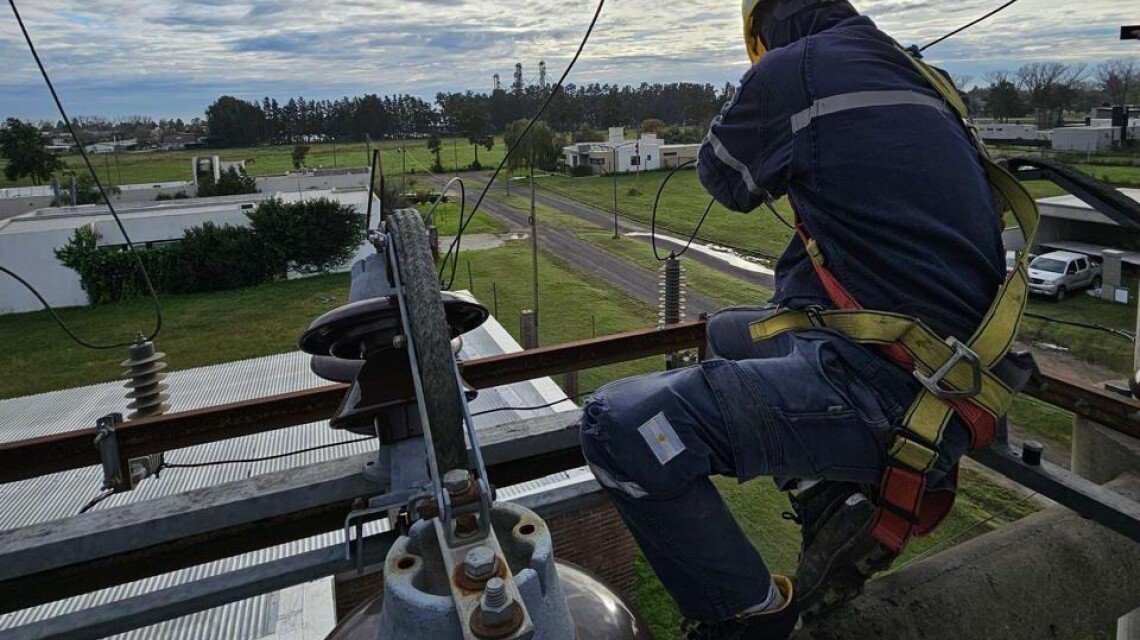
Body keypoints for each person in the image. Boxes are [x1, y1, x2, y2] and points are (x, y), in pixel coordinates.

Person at [578, 0, 1036, 638]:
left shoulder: (790, 70)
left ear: (762, 34)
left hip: (895, 395)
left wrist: (759, 92)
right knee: (727, 332)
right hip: (962, 373)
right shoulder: (921, 74)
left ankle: (745, 622)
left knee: (618, 425)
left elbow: (724, 179)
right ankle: (832, 499)